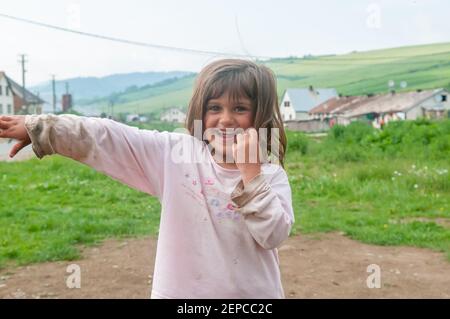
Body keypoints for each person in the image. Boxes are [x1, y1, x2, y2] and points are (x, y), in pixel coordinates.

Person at [0, 59, 294, 299]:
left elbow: (272, 236)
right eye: (214, 108)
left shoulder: (271, 176)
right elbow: (108, 136)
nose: (226, 119)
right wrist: (42, 129)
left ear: (259, 116)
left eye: (240, 108)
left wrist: (251, 174)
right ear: (200, 112)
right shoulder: (175, 156)